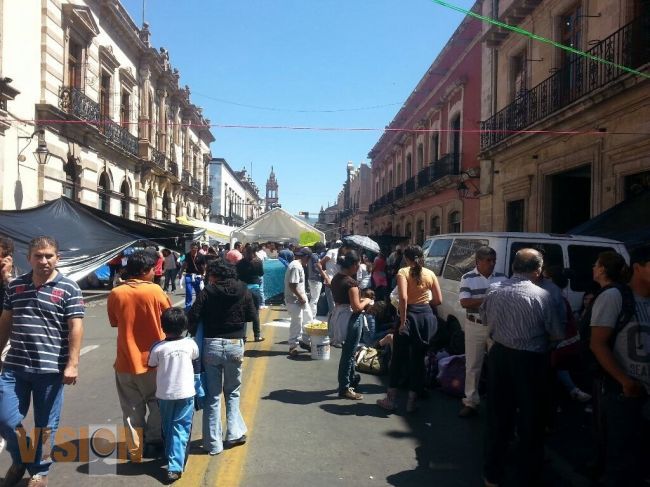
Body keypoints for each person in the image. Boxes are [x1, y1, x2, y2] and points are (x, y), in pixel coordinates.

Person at [0, 236, 85, 487]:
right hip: (15, 367)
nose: (44, 260)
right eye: (38, 255)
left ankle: (39, 471)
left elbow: (76, 327)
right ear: (28, 258)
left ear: (57, 258)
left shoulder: (69, 288)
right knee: (5, 418)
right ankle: (21, 457)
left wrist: (73, 364)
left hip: (50, 370)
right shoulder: (15, 287)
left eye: (49, 255)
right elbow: (5, 321)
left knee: (45, 425)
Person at [481, 249, 563, 487]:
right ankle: (526, 475)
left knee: (498, 417)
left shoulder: (494, 290)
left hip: (499, 356)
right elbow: (556, 333)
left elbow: (485, 320)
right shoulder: (543, 296)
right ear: (537, 270)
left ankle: (492, 474)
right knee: (531, 421)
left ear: (514, 266)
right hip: (531, 361)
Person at [590, 248, 650, 487]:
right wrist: (624, 380)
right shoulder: (616, 297)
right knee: (621, 464)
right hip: (625, 395)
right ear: (638, 267)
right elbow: (598, 344)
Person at [107, 250, 171, 461]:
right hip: (153, 360)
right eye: (153, 269)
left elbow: (115, 321)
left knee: (131, 407)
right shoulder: (155, 291)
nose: (155, 272)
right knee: (156, 403)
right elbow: (169, 319)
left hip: (125, 360)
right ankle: (154, 441)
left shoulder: (116, 293)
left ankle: (135, 447)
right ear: (144, 271)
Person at [188, 260, 255, 456]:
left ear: (215, 275)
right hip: (235, 345)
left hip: (212, 346)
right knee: (233, 391)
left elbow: (193, 315)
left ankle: (213, 444)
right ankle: (233, 433)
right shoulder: (243, 288)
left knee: (213, 396)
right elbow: (251, 315)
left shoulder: (208, 291)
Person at [377, 245, 442, 412]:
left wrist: (403, 320)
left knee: (398, 357)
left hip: (409, 316)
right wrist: (424, 305)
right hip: (425, 316)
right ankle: (412, 402)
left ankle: (391, 400)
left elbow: (404, 298)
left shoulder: (403, 272)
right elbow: (438, 300)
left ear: (406, 258)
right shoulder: (430, 274)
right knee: (418, 360)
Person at [148, 308, 199, 483]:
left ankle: (173, 462)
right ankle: (175, 463)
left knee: (168, 428)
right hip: (186, 393)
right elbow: (196, 361)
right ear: (185, 326)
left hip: (165, 394)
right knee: (181, 428)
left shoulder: (158, 347)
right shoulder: (191, 344)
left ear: (163, 326)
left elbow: (151, 364)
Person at [457, 246, 507, 418]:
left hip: (496, 326)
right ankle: (471, 401)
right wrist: (490, 299)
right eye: (489, 260)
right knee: (473, 365)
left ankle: (497, 401)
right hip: (475, 325)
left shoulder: (502, 278)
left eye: (494, 260)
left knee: (498, 364)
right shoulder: (468, 278)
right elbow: (465, 302)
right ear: (478, 261)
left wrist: (481, 301)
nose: (492, 264)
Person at [330, 250, 374, 400]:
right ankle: (345, 387)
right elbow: (356, 307)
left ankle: (350, 380)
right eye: (358, 264)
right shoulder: (351, 283)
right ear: (354, 265)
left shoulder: (336, 278)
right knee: (348, 354)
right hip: (351, 319)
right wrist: (367, 300)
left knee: (347, 352)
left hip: (339, 315)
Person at [284, 247, 313, 356]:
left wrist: (302, 296)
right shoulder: (296, 266)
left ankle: (305, 341)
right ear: (307, 257)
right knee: (297, 322)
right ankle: (293, 346)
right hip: (294, 299)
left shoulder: (298, 265)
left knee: (309, 319)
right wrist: (300, 297)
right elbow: (292, 285)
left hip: (300, 298)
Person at [236, 244, 265, 342]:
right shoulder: (258, 262)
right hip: (255, 289)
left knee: (242, 313)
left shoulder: (240, 263)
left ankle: (242, 336)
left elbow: (236, 275)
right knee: (255, 313)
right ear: (254, 252)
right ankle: (257, 336)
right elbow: (261, 273)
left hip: (243, 289)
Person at [307, 242, 328, 319]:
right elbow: (315, 268)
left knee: (313, 298)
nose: (323, 251)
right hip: (315, 279)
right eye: (322, 249)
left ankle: (310, 315)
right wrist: (323, 272)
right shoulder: (315, 257)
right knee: (314, 299)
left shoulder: (312, 256)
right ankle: (312, 316)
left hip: (312, 279)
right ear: (320, 249)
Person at [182, 242, 204, 310]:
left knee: (198, 292)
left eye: (195, 248)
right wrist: (180, 272)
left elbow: (203, 266)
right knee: (188, 291)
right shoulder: (187, 255)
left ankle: (198, 306)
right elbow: (185, 264)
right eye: (192, 249)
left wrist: (204, 274)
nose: (194, 250)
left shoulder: (201, 256)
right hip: (189, 275)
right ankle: (188, 306)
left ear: (197, 248)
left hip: (198, 276)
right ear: (190, 248)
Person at [321, 241, 341, 314]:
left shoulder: (343, 254)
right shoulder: (332, 252)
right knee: (332, 304)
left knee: (336, 303)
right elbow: (319, 264)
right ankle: (333, 320)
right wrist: (326, 277)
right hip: (330, 281)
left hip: (339, 281)